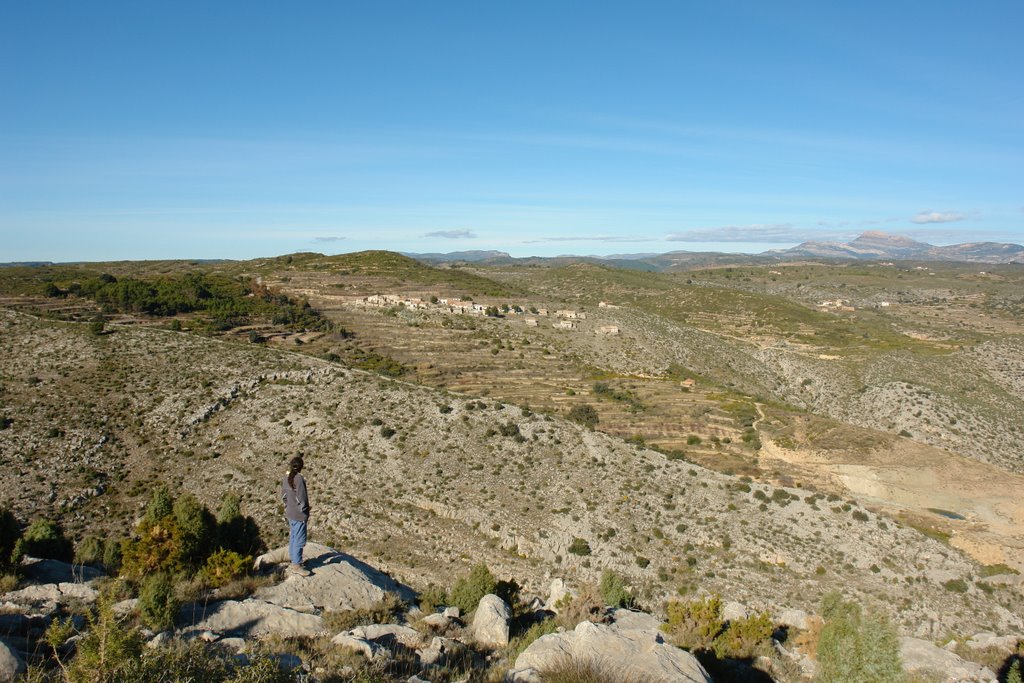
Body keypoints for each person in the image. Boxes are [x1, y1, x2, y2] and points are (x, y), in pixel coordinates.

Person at [281, 455, 312, 576]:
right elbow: (302, 498)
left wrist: (290, 505)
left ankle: (294, 560)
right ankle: (297, 564)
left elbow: (283, 496)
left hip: (290, 512)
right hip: (299, 514)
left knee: (293, 536)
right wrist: (304, 510)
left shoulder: (286, 477)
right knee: (299, 539)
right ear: (301, 467)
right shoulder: (299, 479)